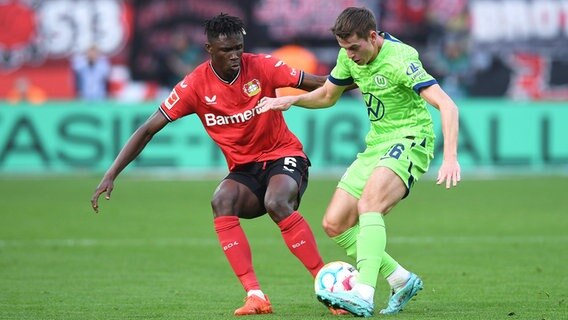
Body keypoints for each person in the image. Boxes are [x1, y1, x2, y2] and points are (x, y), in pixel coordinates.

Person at [90, 13, 342, 316]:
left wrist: (362, 80)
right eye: (226, 50)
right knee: (221, 200)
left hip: (283, 155)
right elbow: (148, 129)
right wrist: (111, 173)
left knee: (276, 202)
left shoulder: (262, 66)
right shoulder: (195, 85)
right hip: (245, 169)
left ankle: (328, 287)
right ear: (209, 48)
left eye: (238, 47)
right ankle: (255, 296)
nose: (235, 56)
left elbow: (323, 85)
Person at [259, 6, 461, 317]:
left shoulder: (401, 59)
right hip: (376, 144)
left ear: (372, 36)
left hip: (410, 139)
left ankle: (363, 294)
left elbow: (447, 105)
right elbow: (327, 95)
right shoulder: (348, 56)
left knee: (370, 205)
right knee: (335, 224)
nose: (350, 55)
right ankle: (400, 279)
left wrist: (450, 158)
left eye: (354, 48)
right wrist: (293, 100)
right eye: (344, 48)